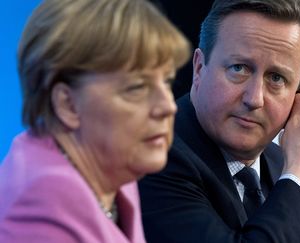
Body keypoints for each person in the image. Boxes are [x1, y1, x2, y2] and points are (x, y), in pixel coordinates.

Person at [138, 0, 300, 242]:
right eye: (239, 68)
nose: (254, 99)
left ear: (298, 94)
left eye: (276, 78)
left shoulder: (283, 164)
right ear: (199, 68)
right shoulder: (154, 155)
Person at [0, 0, 190, 242]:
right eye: (137, 87)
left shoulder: (115, 170)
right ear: (68, 104)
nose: (168, 106)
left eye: (167, 81)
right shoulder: (44, 200)